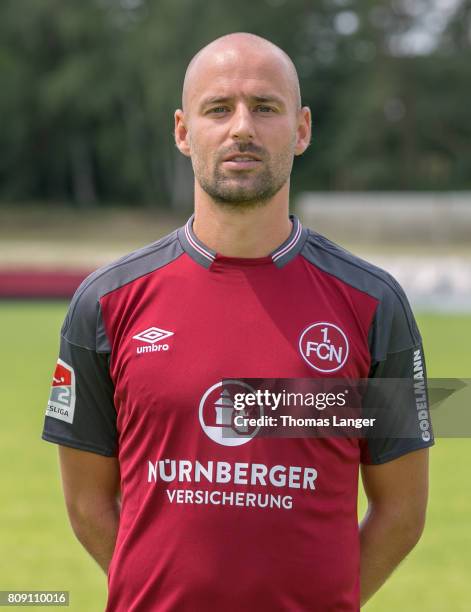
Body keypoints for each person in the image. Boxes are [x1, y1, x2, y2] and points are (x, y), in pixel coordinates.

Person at [42, 32, 434, 611]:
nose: (241, 128)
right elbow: (86, 504)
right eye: (219, 108)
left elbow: (402, 513)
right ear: (183, 131)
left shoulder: (373, 304)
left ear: (301, 129)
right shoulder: (105, 303)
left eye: (265, 107)